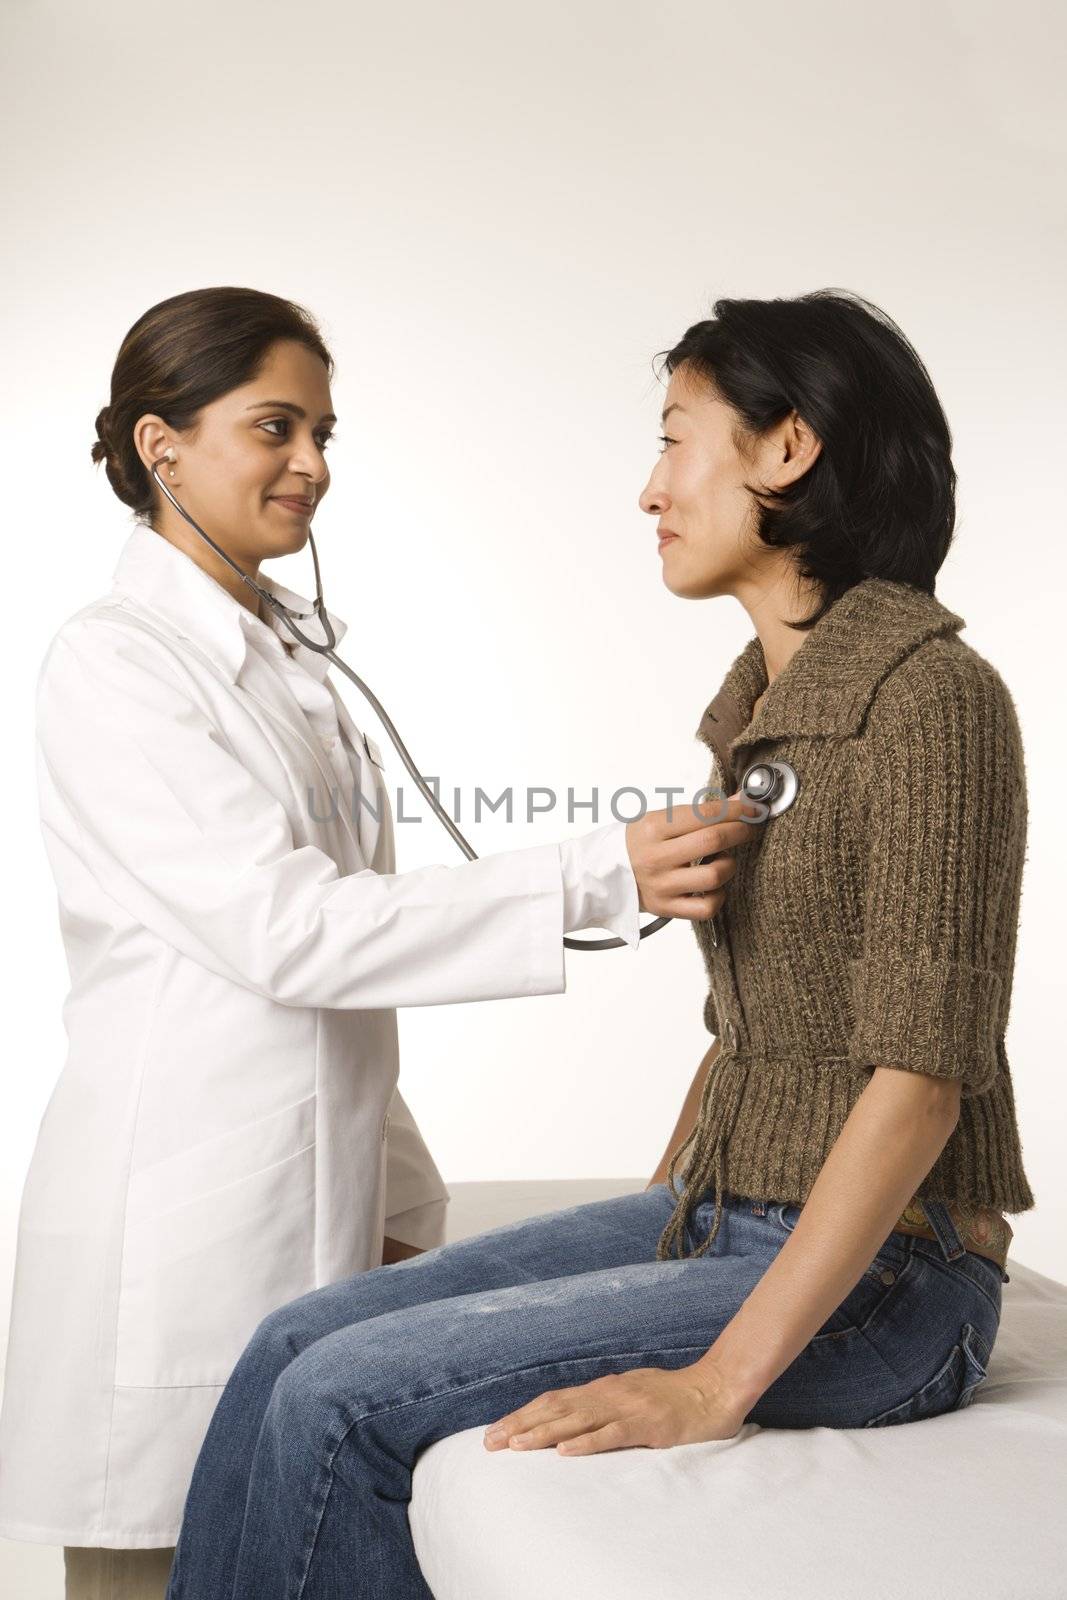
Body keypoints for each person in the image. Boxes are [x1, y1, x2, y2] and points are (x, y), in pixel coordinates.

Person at [163, 289, 1033, 1600]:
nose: (649, 488)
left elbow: (918, 1081)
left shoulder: (932, 698)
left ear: (787, 449)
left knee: (342, 1401)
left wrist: (713, 1384)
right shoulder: (758, 706)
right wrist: (651, 1230)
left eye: (677, 439)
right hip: (728, 1216)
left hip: (902, 1283)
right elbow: (753, 1036)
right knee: (295, 1338)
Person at [0, 286, 736, 1599]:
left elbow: (337, 999)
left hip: (306, 1210)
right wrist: (593, 872)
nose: (314, 467)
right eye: (275, 428)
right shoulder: (117, 666)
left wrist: (400, 1203)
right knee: (158, 1565)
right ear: (161, 445)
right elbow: (295, 937)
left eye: (325, 432)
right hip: (174, 1242)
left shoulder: (282, 657)